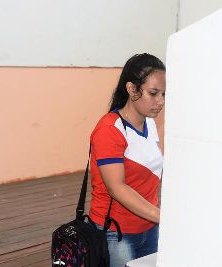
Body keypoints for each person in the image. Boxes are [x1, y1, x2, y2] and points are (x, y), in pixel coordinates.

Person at [88, 53, 166, 267]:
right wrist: (163, 216)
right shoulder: (109, 130)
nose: (161, 101)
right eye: (153, 93)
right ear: (132, 89)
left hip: (150, 228)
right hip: (116, 233)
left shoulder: (149, 123)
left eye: (163, 94)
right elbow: (117, 188)